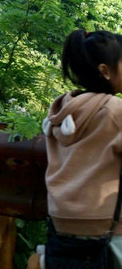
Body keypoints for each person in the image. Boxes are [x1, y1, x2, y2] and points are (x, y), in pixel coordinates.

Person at [39, 29, 122, 268]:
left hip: (61, 224)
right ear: (105, 71)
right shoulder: (114, 111)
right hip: (106, 226)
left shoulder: (63, 109)